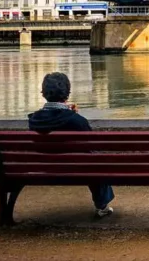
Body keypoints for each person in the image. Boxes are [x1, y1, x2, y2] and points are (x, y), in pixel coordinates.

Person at [28, 72, 115, 218]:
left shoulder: (34, 120)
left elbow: (52, 120)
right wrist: (72, 115)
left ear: (43, 93)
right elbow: (91, 145)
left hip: (44, 168)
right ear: (67, 93)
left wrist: (69, 113)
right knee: (94, 161)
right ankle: (102, 205)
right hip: (78, 169)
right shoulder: (77, 121)